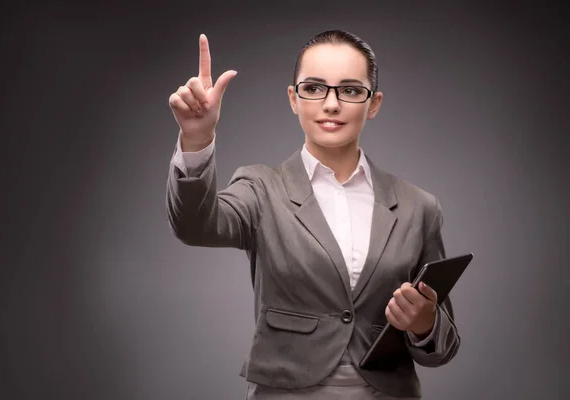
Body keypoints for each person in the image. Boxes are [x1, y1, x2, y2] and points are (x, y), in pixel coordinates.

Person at [166, 30, 460, 400]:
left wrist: (424, 323)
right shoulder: (261, 188)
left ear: (374, 104)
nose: (331, 104)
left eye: (351, 90)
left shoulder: (420, 207)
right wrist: (196, 140)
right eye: (314, 88)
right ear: (293, 98)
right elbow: (194, 226)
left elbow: (444, 345)